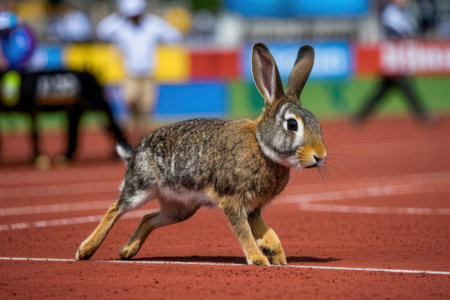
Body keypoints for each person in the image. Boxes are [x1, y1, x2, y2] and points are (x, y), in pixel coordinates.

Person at [96, 0, 183, 143]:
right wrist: (118, 16)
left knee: (146, 108)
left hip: (148, 74)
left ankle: (141, 136)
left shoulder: (153, 24)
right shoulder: (120, 26)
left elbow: (173, 35)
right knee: (130, 100)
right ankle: (136, 130)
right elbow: (102, 31)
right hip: (130, 74)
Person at [354, 0, 431, 124]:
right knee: (405, 86)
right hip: (393, 59)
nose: (406, 2)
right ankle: (422, 116)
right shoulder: (391, 13)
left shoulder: (403, 13)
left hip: (398, 59)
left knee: (382, 91)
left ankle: (360, 116)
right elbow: (396, 33)